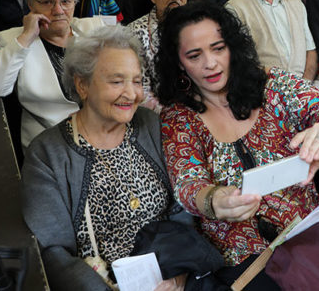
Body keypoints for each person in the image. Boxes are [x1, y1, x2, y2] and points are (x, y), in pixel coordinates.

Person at [157, 1, 319, 286]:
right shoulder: (179, 117)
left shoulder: (273, 84)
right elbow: (187, 183)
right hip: (246, 262)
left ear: (232, 46)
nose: (210, 63)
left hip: (313, 239)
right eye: (194, 55)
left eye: (218, 48)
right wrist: (215, 200)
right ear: (179, 62)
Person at [22, 25, 193, 290]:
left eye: (137, 81)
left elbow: (180, 206)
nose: (132, 94)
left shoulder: (150, 125)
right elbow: (53, 252)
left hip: (172, 275)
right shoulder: (47, 154)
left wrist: (179, 275)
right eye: (116, 81)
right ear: (82, 85)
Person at [0, 0, 105, 148]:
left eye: (65, 1)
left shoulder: (94, 30)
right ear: (30, 4)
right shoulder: (14, 39)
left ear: (75, 2)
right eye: (47, 2)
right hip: (51, 145)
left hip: (103, 135)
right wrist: (26, 37)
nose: (58, 10)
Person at [127, 0, 191, 111]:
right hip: (158, 113)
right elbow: (138, 89)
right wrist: (173, 114)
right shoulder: (134, 34)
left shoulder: (199, 28)